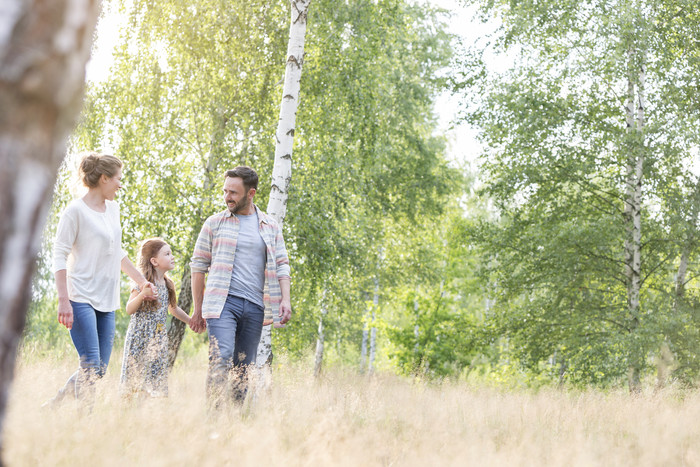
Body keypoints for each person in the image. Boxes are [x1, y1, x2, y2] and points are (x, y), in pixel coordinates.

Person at [47, 152, 153, 410]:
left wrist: (141, 281)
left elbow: (117, 251)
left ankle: (58, 401)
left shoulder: (113, 210)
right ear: (104, 178)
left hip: (107, 299)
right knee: (91, 364)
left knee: (100, 369)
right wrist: (64, 301)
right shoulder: (74, 211)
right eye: (118, 178)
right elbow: (59, 255)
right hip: (79, 296)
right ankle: (86, 421)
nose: (120, 184)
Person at [189, 166, 291, 407]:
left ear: (251, 193)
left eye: (233, 192)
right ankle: (213, 417)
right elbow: (198, 266)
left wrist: (285, 300)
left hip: (256, 306)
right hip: (222, 303)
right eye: (225, 191)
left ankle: (233, 421)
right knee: (221, 356)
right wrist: (197, 308)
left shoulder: (270, 226)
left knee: (243, 367)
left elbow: (282, 264)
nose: (227, 197)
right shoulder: (214, 223)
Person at [120, 238, 191, 398]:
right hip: (139, 338)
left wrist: (191, 321)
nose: (172, 257)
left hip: (158, 340)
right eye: (167, 254)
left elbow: (173, 309)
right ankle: (127, 412)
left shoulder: (168, 284)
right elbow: (129, 308)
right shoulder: (143, 283)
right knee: (133, 380)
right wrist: (142, 296)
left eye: (171, 253)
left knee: (154, 382)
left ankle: (150, 411)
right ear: (154, 261)